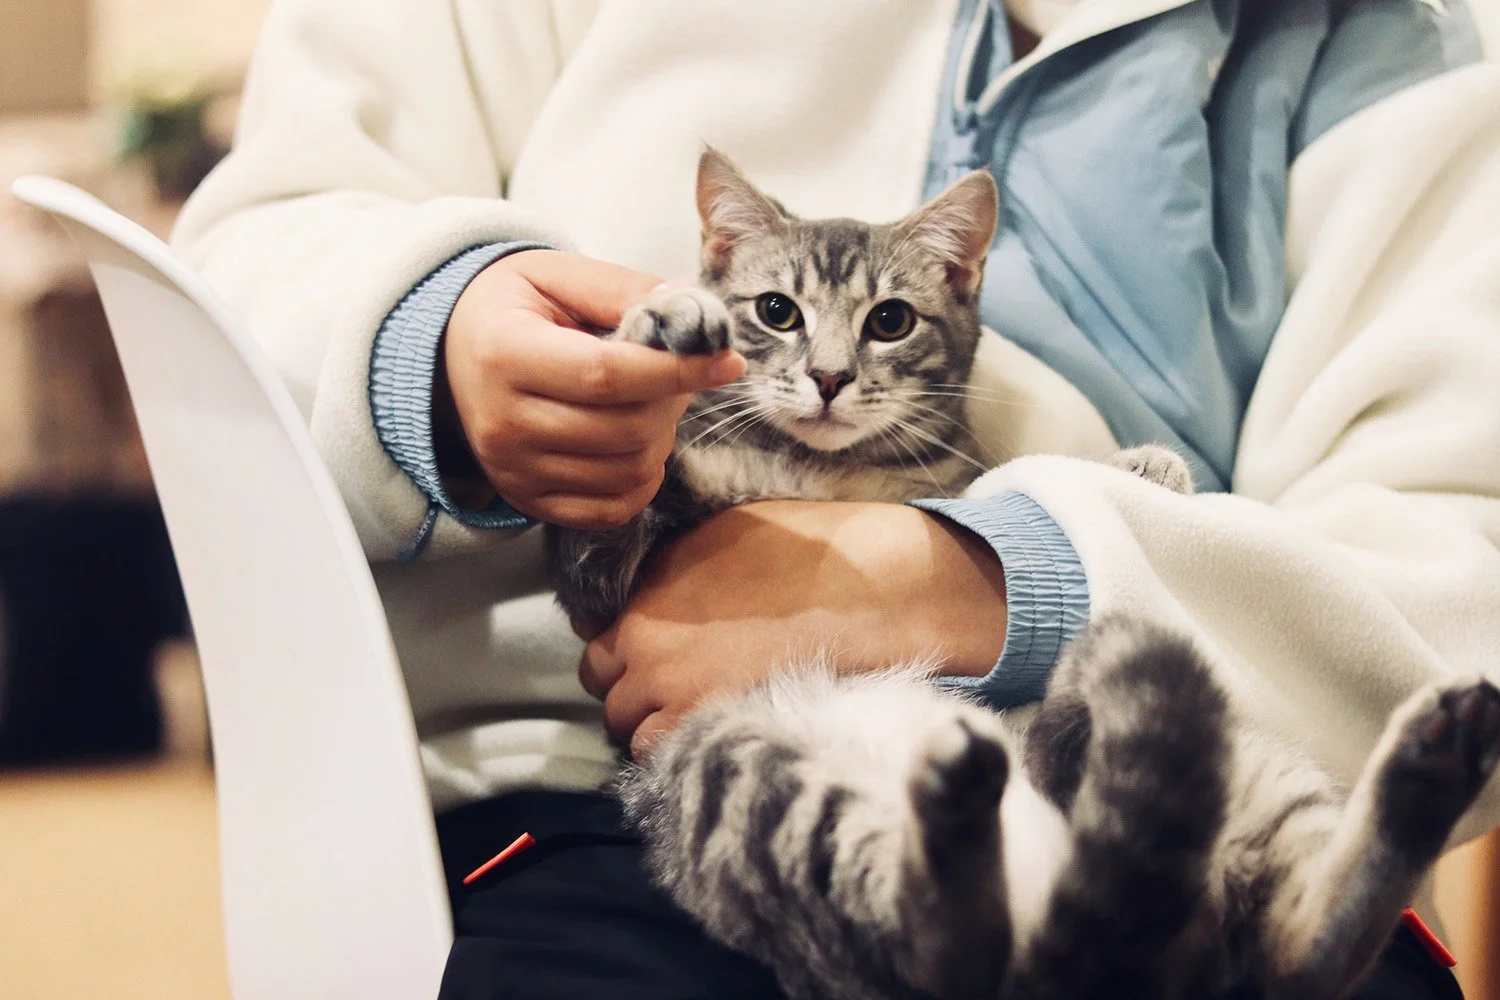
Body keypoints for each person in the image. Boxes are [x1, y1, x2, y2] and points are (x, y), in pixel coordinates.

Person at [173, 1, 1500, 996]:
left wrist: (986, 580)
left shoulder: (1409, 46)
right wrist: (442, 337)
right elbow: (254, 252)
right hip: (592, 786)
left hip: (1148, 790)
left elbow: (1457, 564)